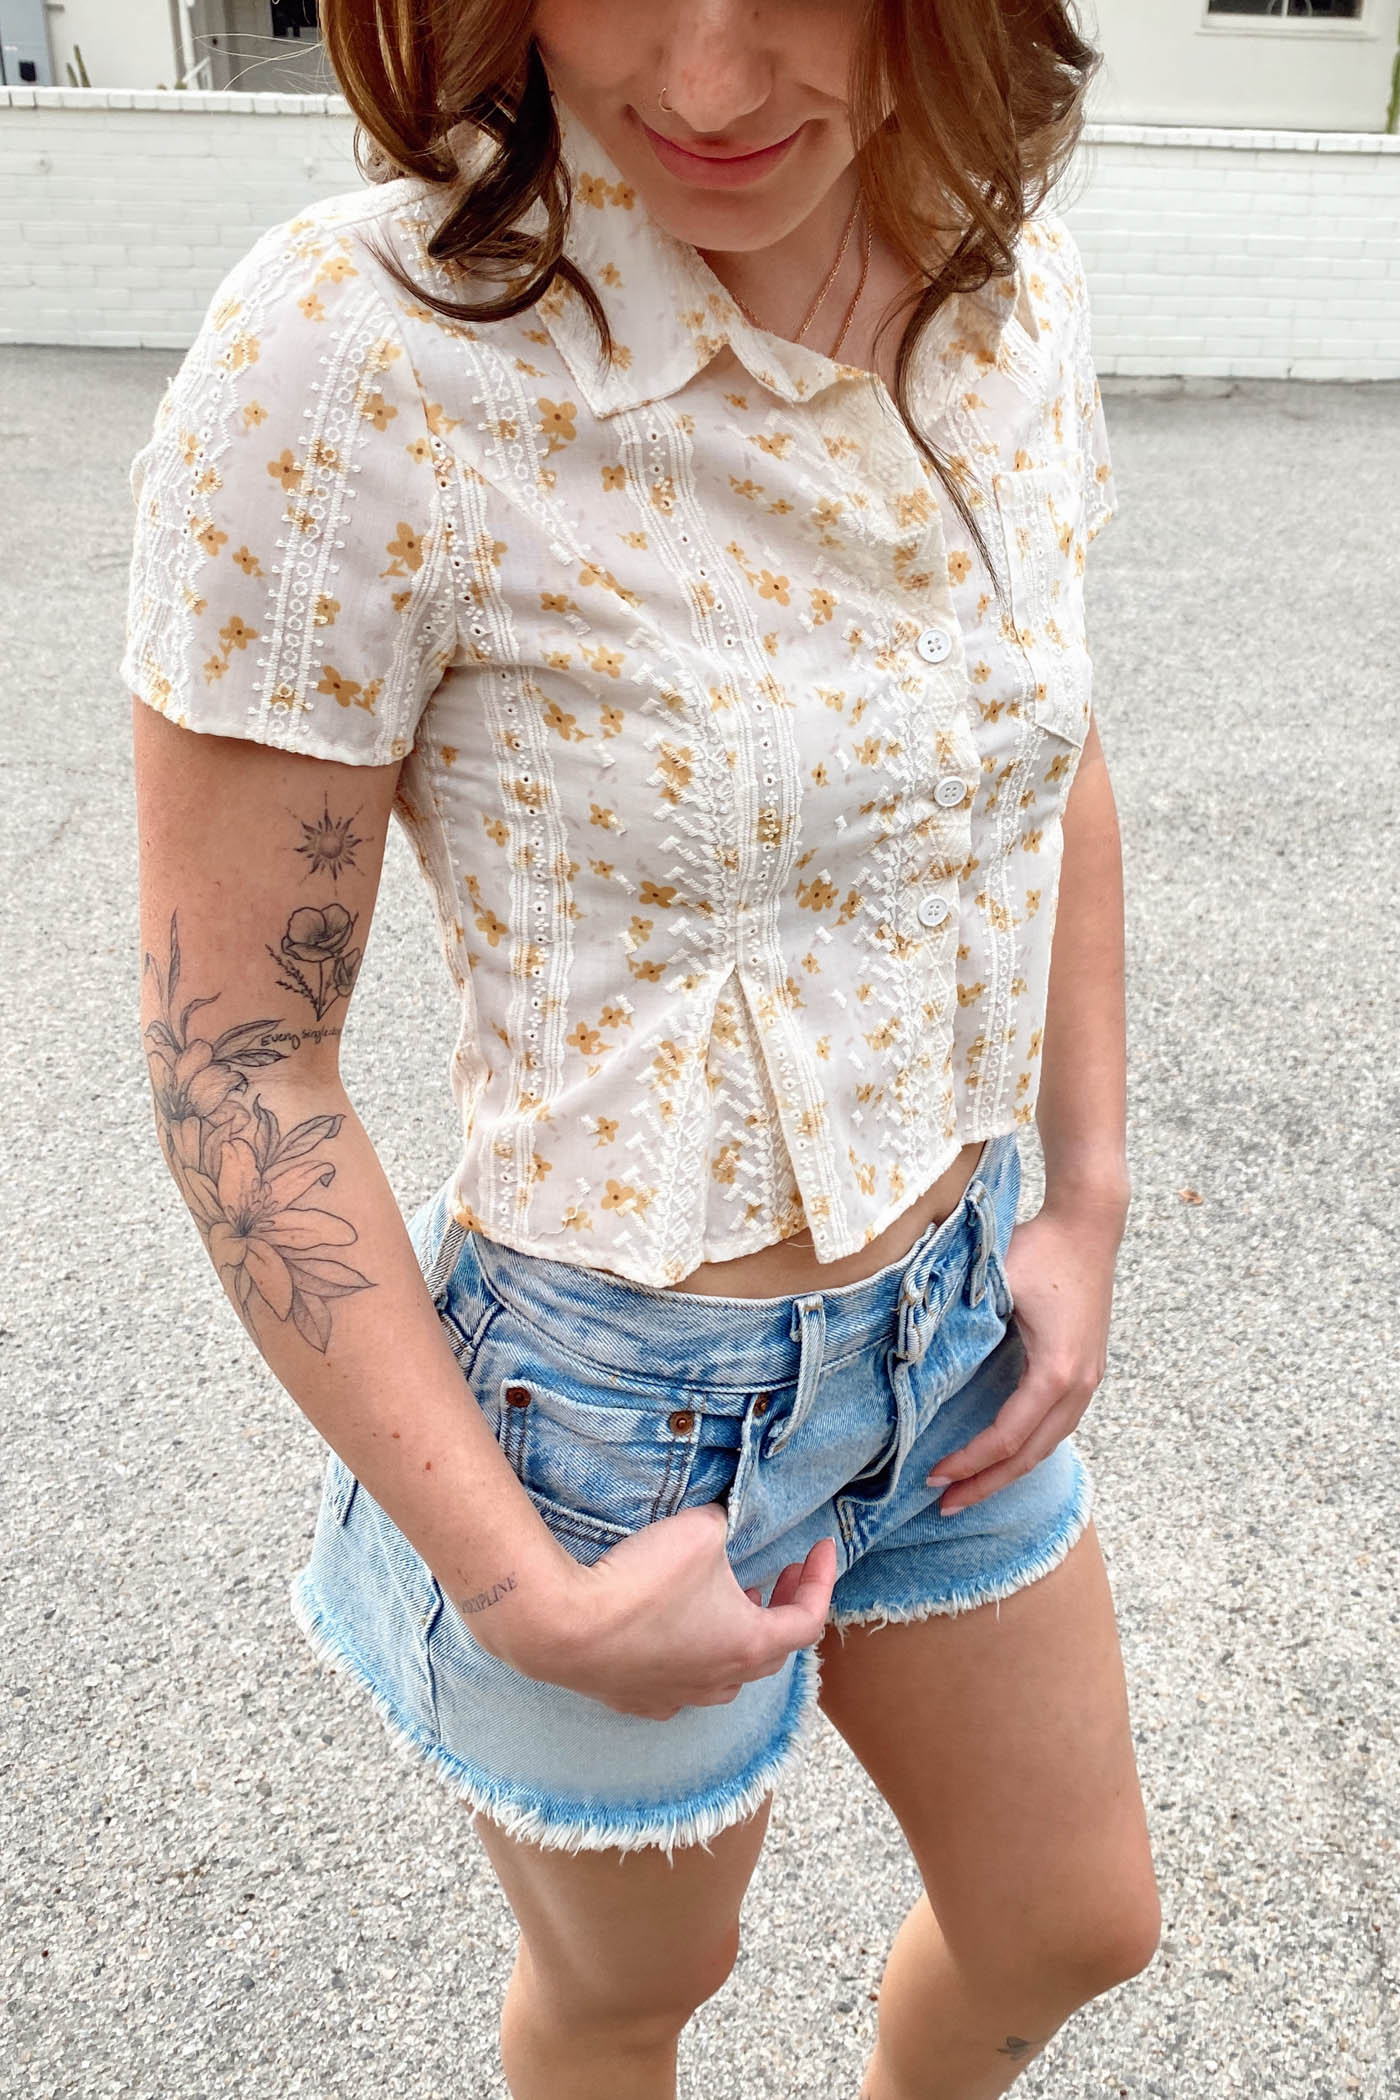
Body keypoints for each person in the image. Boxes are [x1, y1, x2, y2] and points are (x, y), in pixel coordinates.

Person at [123, 1, 1160, 2094]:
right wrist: (516, 1589)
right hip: (607, 1431)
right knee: (631, 1993)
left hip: (948, 1323)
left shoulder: (998, 289)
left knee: (1073, 1920)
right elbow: (239, 1049)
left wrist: (1088, 1195)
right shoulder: (360, 360)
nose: (702, 80)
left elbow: (1049, 744)